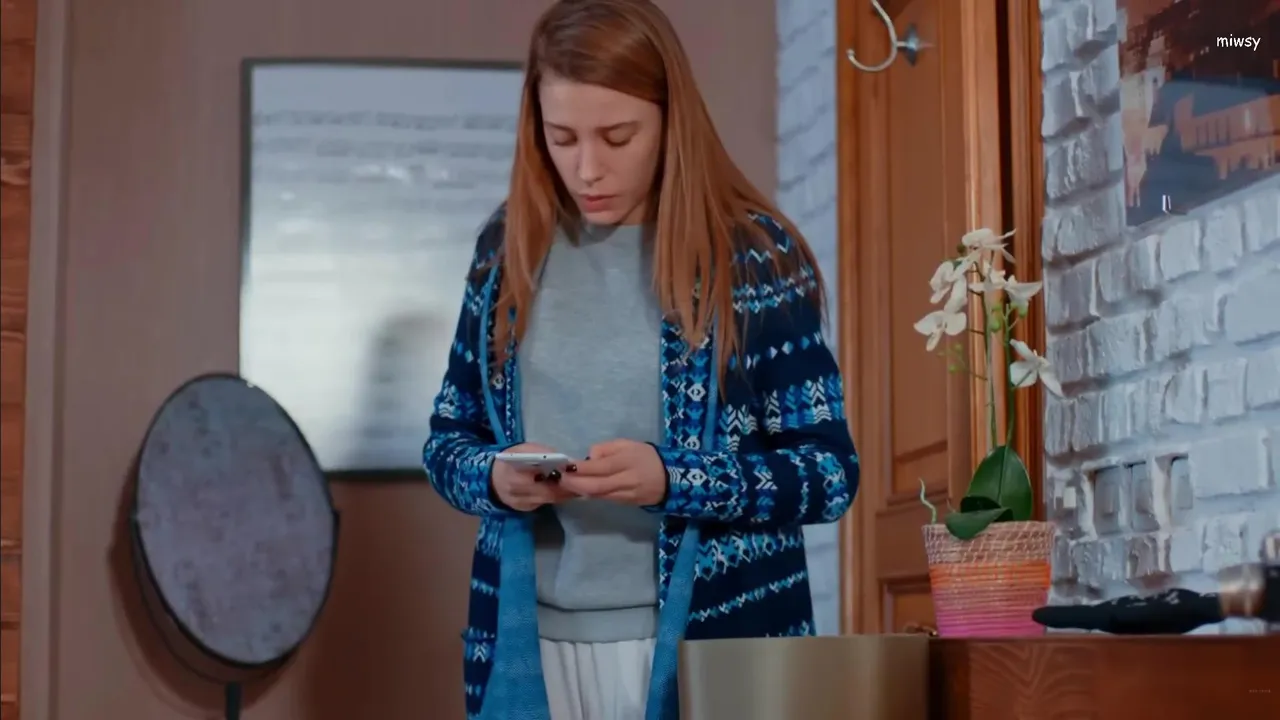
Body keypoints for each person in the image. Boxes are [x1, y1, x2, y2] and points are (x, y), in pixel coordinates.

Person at [422, 1, 859, 719]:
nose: (587, 169)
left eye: (618, 136)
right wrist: (495, 477)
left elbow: (830, 475)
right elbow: (447, 441)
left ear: (670, 120)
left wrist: (674, 479)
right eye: (562, 138)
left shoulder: (754, 257)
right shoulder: (505, 252)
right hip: (532, 650)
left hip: (711, 646)